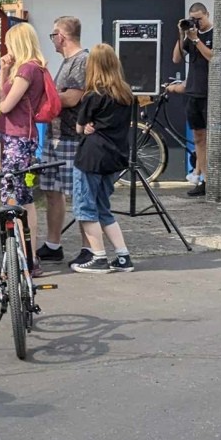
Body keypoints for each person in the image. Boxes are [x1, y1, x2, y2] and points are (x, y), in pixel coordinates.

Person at [70, 44, 135, 274]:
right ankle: (123, 255)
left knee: (85, 208)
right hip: (114, 157)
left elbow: (79, 127)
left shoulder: (93, 95)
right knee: (103, 208)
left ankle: (98, 256)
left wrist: (86, 127)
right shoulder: (126, 94)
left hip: (91, 157)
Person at [36, 16, 90, 267]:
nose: (52, 40)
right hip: (56, 135)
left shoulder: (81, 61)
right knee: (52, 191)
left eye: (53, 35)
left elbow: (72, 98)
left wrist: (45, 97)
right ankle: (53, 244)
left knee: (78, 193)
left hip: (71, 136)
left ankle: (89, 247)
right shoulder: (67, 62)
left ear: (61, 36)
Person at [0, 22, 48, 273]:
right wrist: (4, 72)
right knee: (24, 196)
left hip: (18, 139)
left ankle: (21, 255)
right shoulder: (31, 68)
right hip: (20, 137)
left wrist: (8, 78)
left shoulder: (27, 69)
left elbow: (5, 106)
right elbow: (2, 97)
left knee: (13, 195)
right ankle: (29, 255)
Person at [172, 2, 214, 196]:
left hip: (210, 92)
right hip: (193, 91)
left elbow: (213, 57)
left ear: (207, 15)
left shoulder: (214, 34)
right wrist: (182, 35)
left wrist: (197, 40)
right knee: (198, 136)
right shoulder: (190, 35)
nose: (196, 22)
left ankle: (207, 178)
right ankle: (202, 177)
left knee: (209, 138)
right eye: (193, 19)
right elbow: (176, 59)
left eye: (199, 18)